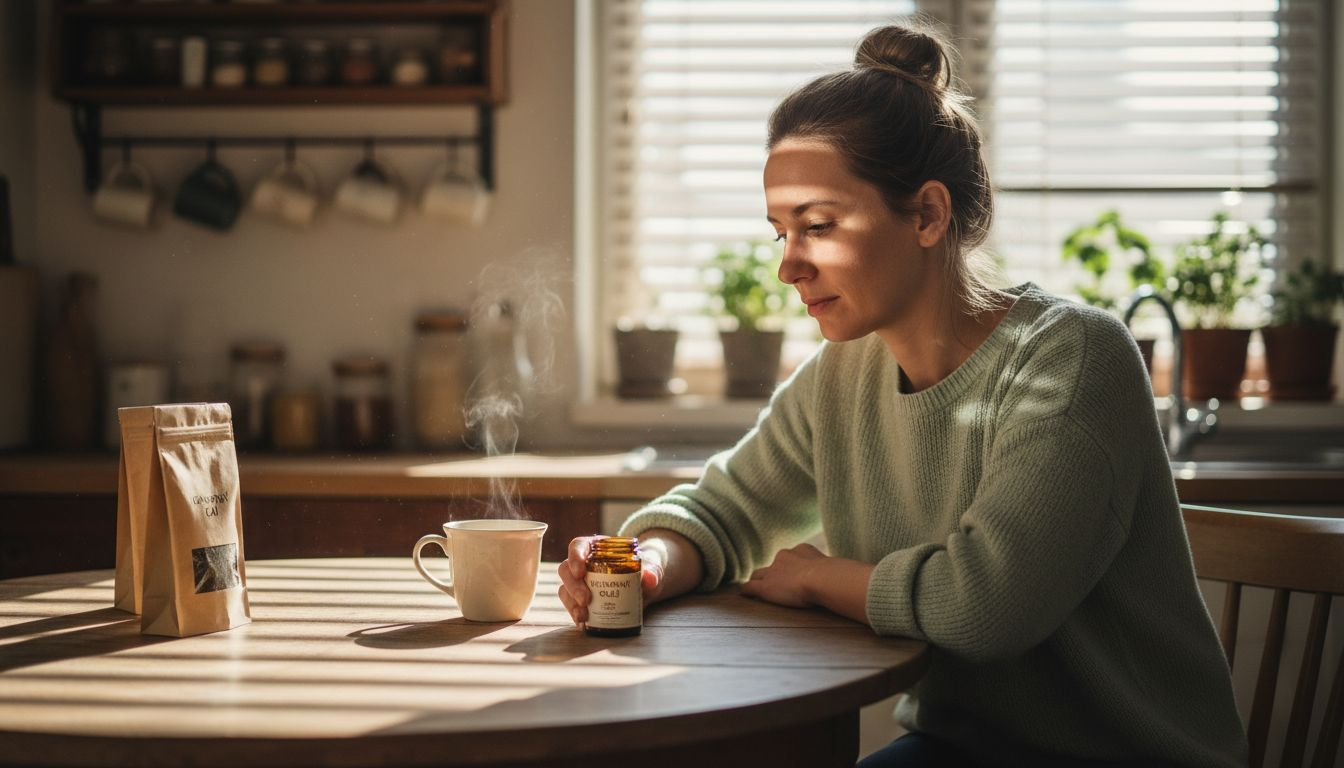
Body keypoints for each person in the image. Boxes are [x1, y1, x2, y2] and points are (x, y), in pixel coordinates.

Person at [558, 23, 1247, 768]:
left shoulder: (1073, 358)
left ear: (926, 214)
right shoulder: (844, 371)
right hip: (959, 748)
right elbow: (722, 513)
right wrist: (648, 562)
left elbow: (986, 605)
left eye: (818, 226)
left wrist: (824, 577)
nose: (788, 267)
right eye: (780, 232)